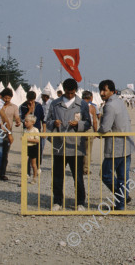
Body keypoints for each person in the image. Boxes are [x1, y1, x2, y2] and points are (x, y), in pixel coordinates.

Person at [46, 78, 91, 211]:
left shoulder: (82, 104)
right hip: (59, 145)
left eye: (72, 93)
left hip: (76, 146)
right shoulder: (55, 104)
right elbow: (47, 120)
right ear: (63, 90)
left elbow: (88, 122)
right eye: (67, 93)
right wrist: (54, 123)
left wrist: (79, 124)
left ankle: (80, 202)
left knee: (78, 177)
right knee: (58, 176)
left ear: (75, 91)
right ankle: (57, 201)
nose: (70, 95)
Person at [98, 79, 135, 211]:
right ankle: (121, 204)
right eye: (101, 90)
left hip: (116, 146)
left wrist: (98, 131)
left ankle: (122, 198)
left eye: (105, 90)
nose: (102, 93)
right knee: (123, 177)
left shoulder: (110, 105)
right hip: (127, 144)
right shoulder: (119, 102)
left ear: (112, 91)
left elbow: (105, 127)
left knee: (106, 175)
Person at [0, 88, 21, 181]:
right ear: (2, 97)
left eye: (8, 98)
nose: (6, 100)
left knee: (5, 154)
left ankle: (2, 173)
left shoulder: (14, 107)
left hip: (7, 132)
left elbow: (17, 117)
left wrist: (18, 121)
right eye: (5, 98)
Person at [20, 91, 45, 172]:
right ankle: (27, 171)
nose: (30, 102)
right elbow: (22, 120)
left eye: (32, 100)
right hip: (27, 131)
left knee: (38, 149)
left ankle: (37, 167)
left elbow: (43, 119)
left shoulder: (39, 106)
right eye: (29, 100)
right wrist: (29, 110)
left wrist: (44, 130)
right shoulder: (23, 106)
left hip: (37, 130)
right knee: (27, 151)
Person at [82, 90, 99, 175]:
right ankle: (86, 169)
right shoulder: (92, 107)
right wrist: (95, 131)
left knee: (79, 150)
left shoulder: (78, 105)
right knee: (88, 151)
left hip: (78, 130)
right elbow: (95, 121)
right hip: (88, 130)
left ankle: (78, 167)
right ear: (91, 98)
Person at [24, 114, 41, 183]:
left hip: (33, 147)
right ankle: (24, 178)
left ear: (32, 122)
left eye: (27, 121)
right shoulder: (25, 130)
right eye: (25, 121)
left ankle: (34, 177)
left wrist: (28, 139)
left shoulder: (35, 130)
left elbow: (37, 140)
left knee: (33, 164)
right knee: (24, 164)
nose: (25, 123)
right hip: (25, 147)